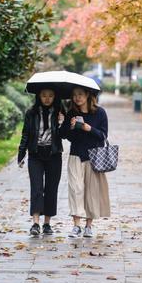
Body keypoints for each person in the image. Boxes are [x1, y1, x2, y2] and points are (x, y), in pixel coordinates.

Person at [60, 86, 111, 238]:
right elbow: (64, 136)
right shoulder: (72, 113)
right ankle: (76, 226)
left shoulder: (100, 113)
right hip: (76, 155)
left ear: (88, 95)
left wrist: (89, 128)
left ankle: (89, 226)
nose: (77, 98)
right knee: (75, 189)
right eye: (74, 95)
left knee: (91, 192)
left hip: (94, 157)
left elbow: (103, 136)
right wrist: (68, 126)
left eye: (80, 94)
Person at [18, 88, 64, 236]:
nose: (47, 98)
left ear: (55, 97)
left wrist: (62, 123)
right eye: (44, 95)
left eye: (50, 95)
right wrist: (21, 153)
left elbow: (65, 135)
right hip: (35, 154)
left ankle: (47, 224)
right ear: (39, 96)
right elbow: (25, 133)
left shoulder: (59, 112)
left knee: (51, 188)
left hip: (54, 154)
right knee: (36, 187)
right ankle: (35, 223)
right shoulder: (31, 113)